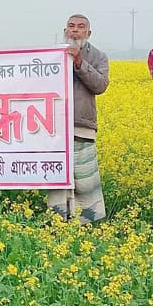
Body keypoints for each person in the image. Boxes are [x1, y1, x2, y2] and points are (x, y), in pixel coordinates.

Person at [45, 14, 110, 224]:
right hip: (54, 128)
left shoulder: (99, 57)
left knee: (85, 179)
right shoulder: (52, 54)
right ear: (65, 30)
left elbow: (100, 85)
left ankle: (87, 222)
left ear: (88, 33)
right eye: (71, 27)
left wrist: (79, 62)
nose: (75, 30)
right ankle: (57, 222)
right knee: (57, 178)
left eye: (80, 27)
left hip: (82, 126)